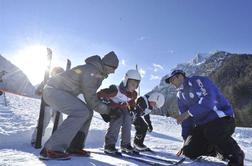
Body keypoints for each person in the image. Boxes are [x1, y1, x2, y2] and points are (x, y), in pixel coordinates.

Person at [40, 51, 119, 160]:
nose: (113, 72)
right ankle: (51, 149)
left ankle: (74, 146)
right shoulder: (91, 70)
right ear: (107, 65)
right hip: (53, 90)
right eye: (113, 68)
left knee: (88, 112)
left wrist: (104, 111)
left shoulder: (97, 72)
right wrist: (108, 111)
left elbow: (89, 98)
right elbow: (91, 98)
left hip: (62, 92)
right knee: (82, 112)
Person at [165, 69, 244, 166]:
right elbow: (185, 119)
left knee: (212, 132)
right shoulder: (179, 95)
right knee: (189, 151)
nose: (171, 83)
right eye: (170, 82)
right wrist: (185, 141)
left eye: (172, 79)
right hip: (203, 125)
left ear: (180, 76)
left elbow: (209, 100)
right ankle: (214, 149)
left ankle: (237, 155)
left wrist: (188, 113)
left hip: (222, 118)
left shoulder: (198, 81)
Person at [97, 69, 141, 155]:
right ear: (126, 81)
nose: (134, 87)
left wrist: (132, 109)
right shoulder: (115, 90)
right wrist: (106, 108)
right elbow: (99, 95)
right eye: (132, 84)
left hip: (123, 108)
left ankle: (125, 144)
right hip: (114, 109)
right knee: (118, 117)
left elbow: (131, 102)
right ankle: (109, 145)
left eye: (136, 85)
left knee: (128, 118)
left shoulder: (133, 94)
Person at [31, 67, 64, 147]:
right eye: (57, 72)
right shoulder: (47, 80)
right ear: (53, 73)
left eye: (61, 73)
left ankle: (57, 142)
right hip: (47, 105)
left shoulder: (63, 83)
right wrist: (44, 91)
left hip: (57, 106)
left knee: (60, 124)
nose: (59, 74)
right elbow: (37, 92)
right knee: (43, 122)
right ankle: (35, 140)